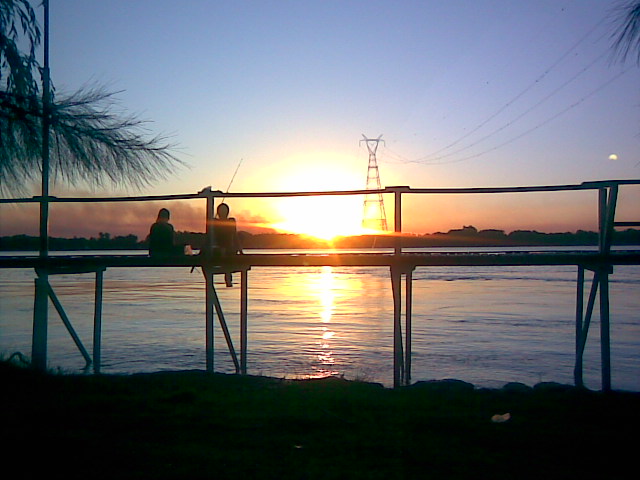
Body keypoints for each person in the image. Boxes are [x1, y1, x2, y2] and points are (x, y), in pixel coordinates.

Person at [212, 203, 242, 286]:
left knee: (226, 252)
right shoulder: (215, 222)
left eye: (224, 211)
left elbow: (235, 236)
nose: (223, 213)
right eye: (221, 211)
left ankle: (228, 277)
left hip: (229, 248)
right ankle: (228, 277)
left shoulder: (231, 221)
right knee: (223, 252)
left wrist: (240, 251)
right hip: (219, 248)